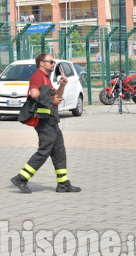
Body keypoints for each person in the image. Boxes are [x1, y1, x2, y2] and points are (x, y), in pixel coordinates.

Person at [10, 53, 82, 194]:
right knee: (44, 151)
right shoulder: (37, 76)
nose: (53, 64)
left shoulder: (46, 78)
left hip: (51, 120)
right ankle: (21, 178)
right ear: (42, 63)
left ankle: (63, 184)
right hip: (44, 121)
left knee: (59, 151)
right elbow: (34, 94)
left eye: (53, 62)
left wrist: (62, 84)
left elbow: (56, 96)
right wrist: (51, 101)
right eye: (51, 62)